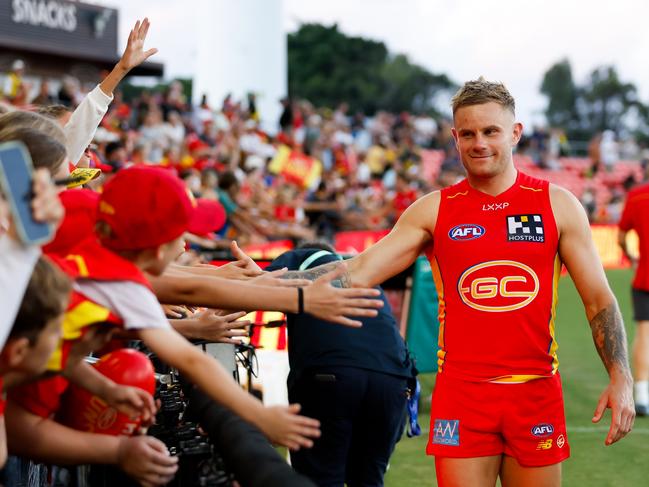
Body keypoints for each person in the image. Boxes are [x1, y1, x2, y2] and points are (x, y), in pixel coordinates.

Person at [283, 78, 635, 487]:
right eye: (467, 133)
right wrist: (265, 283)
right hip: (463, 398)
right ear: (454, 137)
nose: (479, 143)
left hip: (535, 394)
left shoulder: (557, 205)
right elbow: (352, 274)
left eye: (490, 131)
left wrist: (621, 376)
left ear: (515, 133)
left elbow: (598, 300)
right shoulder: (434, 211)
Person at [268, 242, 414, 487]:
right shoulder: (361, 270)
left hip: (330, 371)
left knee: (321, 477)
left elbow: (257, 284)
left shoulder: (300, 258)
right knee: (369, 479)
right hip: (392, 377)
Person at [618, 180, 649, 415]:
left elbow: (621, 236)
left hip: (644, 277)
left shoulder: (637, 196)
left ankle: (642, 395)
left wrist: (631, 257)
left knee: (644, 335)